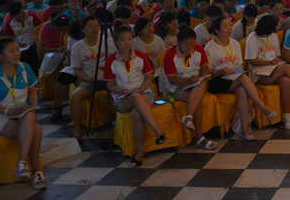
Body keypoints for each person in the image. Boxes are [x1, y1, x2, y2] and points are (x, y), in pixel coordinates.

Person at [205, 16, 277, 139]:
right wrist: (221, 71)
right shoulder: (209, 48)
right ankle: (262, 106)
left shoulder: (235, 43)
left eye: (229, 25)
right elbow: (208, 73)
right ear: (217, 31)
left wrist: (234, 69)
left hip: (234, 77)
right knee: (243, 78)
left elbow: (240, 64)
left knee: (242, 91)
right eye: (225, 26)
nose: (229, 28)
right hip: (217, 80)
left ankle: (245, 130)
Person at [102, 25, 164, 166]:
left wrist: (141, 89)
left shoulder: (140, 56)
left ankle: (140, 152)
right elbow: (109, 84)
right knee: (135, 98)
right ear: (117, 42)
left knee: (137, 112)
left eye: (129, 39)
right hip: (123, 98)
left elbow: (149, 76)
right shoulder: (111, 61)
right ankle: (158, 131)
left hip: (144, 93)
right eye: (123, 40)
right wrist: (118, 90)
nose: (127, 42)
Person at [0, 38, 46, 189]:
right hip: (0, 114)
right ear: (0, 55)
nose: (17, 54)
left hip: (21, 112)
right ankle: (36, 171)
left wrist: (34, 104)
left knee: (30, 115)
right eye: (11, 51)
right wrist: (8, 111)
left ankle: (21, 162)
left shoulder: (24, 68)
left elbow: (31, 89)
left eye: (17, 49)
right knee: (36, 130)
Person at [160, 27, 215, 149]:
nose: (190, 48)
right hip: (174, 88)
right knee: (197, 101)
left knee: (201, 84)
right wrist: (189, 81)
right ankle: (199, 137)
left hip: (195, 84)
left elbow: (205, 68)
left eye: (192, 44)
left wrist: (204, 74)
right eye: (186, 45)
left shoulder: (199, 49)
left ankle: (189, 118)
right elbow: (172, 79)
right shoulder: (169, 55)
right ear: (178, 43)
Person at [69, 16, 115, 141]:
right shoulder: (77, 47)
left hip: (108, 78)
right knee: (76, 96)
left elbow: (116, 60)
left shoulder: (108, 41)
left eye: (96, 26)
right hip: (89, 80)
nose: (94, 29)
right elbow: (76, 69)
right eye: (90, 26)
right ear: (83, 29)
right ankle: (77, 131)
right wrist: (85, 77)